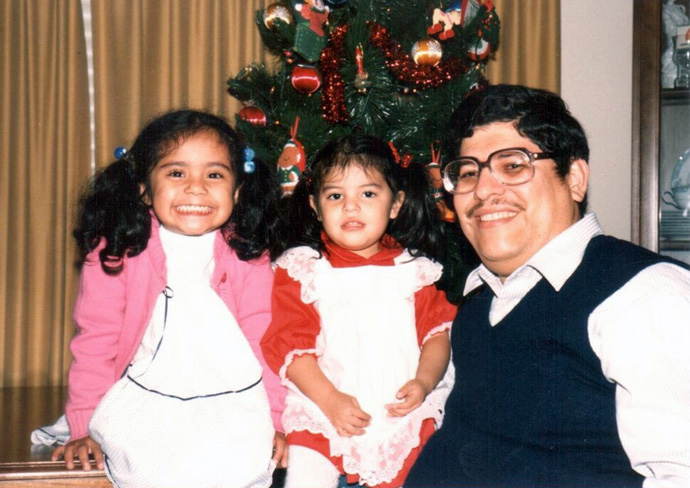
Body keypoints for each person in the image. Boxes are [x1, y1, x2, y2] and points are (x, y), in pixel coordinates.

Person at [404, 84, 690, 487]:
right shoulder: (476, 301)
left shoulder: (645, 296)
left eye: (513, 165)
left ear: (574, 178)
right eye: (468, 172)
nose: (484, 190)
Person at [50, 110, 287, 487]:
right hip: (145, 396)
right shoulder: (116, 251)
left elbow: (266, 342)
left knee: (240, 462)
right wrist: (84, 425)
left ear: (237, 191)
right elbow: (96, 341)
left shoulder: (248, 254)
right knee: (154, 466)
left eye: (214, 175)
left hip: (234, 398)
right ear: (144, 188)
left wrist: (277, 421)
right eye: (177, 173)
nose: (196, 188)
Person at [261, 134, 457, 488]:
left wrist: (424, 382)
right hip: (321, 411)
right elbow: (292, 348)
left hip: (400, 415)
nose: (351, 207)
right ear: (316, 207)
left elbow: (437, 336)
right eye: (336, 196)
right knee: (306, 478)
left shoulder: (414, 271)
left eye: (368, 194)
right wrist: (330, 400)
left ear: (395, 204)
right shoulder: (305, 270)